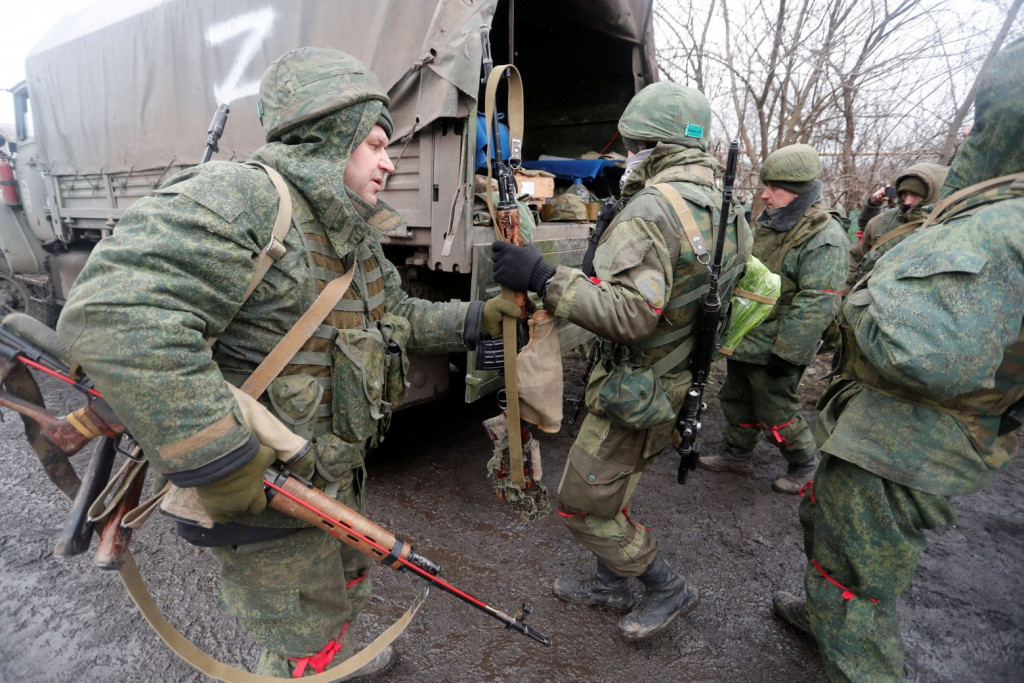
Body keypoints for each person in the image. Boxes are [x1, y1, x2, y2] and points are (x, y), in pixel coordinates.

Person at [56, 47, 516, 678]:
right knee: (300, 637)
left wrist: (474, 322)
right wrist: (219, 458)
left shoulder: (345, 228)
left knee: (345, 589)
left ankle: (334, 656)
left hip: (332, 478)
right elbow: (113, 319)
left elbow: (394, 316)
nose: (389, 159)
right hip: (265, 488)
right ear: (331, 138)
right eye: (375, 142)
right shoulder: (243, 197)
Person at [771, 36, 1024, 682]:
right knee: (830, 527)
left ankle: (850, 639)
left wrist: (861, 297)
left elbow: (926, 352)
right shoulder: (989, 215)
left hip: (906, 441)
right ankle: (822, 604)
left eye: (982, 119)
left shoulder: (1000, 229)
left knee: (856, 578)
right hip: (894, 429)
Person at [490, 81, 751, 641]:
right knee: (614, 485)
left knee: (582, 504)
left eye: (633, 144)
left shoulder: (655, 208)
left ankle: (665, 587)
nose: (626, 154)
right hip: (676, 378)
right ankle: (611, 581)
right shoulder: (725, 205)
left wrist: (542, 277)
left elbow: (632, 315)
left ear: (653, 146)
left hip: (638, 384)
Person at [699, 144, 848, 493]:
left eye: (774, 188)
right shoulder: (773, 223)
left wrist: (788, 353)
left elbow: (818, 302)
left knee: (776, 408)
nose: (763, 195)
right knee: (735, 398)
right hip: (747, 335)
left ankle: (804, 463)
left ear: (798, 192)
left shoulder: (824, 237)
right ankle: (738, 455)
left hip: (778, 344)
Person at [844, 162, 949, 293]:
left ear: (933, 195)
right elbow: (856, 255)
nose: (907, 201)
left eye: (916, 195)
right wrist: (845, 293)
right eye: (904, 194)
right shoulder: (884, 220)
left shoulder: (947, 228)